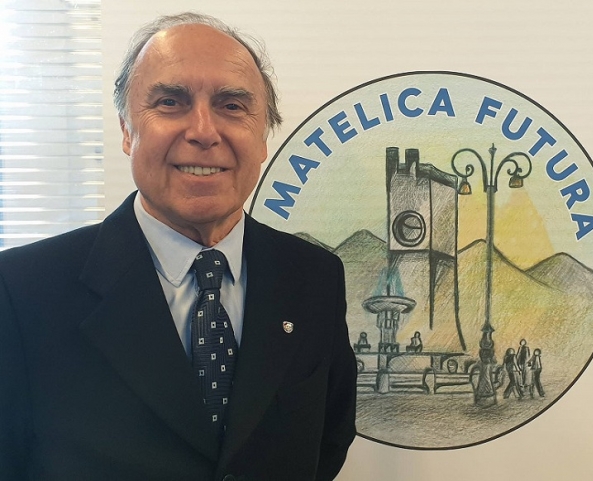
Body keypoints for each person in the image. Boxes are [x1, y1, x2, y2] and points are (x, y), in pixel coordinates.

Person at [0, 12, 357, 481]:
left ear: (262, 138)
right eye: (170, 102)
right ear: (127, 130)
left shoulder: (314, 277)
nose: (204, 131)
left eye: (232, 105)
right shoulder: (21, 291)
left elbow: (328, 440)